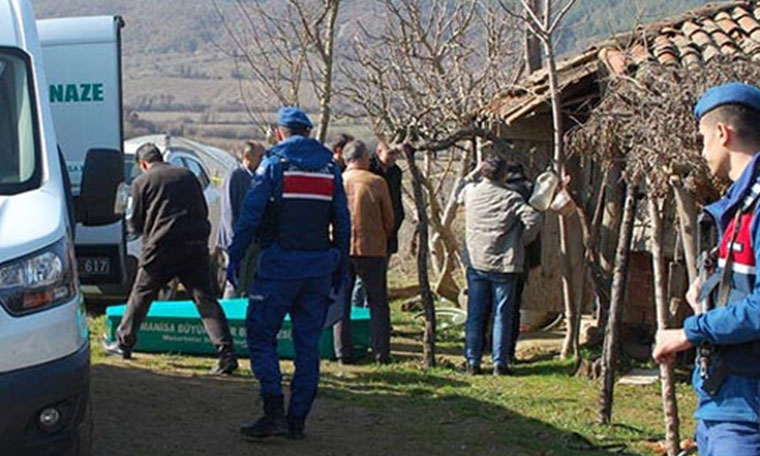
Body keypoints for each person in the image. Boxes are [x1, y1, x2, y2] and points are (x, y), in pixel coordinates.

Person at [228, 107, 350, 440]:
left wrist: (235, 256)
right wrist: (340, 264)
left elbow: (251, 215)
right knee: (307, 344)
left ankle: (273, 412)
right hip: (318, 268)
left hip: (280, 268)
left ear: (280, 132)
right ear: (307, 132)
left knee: (260, 334)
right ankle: (297, 420)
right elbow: (342, 220)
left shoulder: (274, 165)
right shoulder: (329, 168)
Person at [653, 82, 760, 455]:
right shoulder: (739, 204)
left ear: (721, 133)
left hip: (747, 406)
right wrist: (711, 284)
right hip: (723, 398)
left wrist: (689, 332)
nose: (702, 153)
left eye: (702, 140)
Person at [102, 143, 238, 375]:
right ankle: (226, 354)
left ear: (143, 164)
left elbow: (135, 223)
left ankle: (124, 344)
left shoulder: (142, 182)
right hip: (194, 245)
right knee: (205, 300)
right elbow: (202, 209)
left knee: (141, 296)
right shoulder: (187, 175)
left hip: (161, 247)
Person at [459, 156, 540, 376]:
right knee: (502, 314)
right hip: (505, 263)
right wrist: (522, 241)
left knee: (475, 313)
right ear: (504, 175)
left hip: (477, 261)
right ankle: (499, 362)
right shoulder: (511, 198)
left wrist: (474, 173)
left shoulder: (471, 192)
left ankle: (473, 360)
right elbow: (533, 218)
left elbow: (459, 192)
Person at [333, 141, 395, 365]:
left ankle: (342, 351)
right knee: (378, 303)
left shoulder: (337, 182)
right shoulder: (377, 182)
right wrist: (380, 236)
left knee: (342, 301)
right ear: (362, 158)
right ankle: (381, 352)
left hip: (341, 248)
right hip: (372, 248)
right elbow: (389, 219)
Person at [352, 141, 406, 309]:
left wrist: (394, 224)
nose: (393, 158)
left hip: (388, 231)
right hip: (367, 232)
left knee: (380, 276)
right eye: (389, 154)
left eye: (395, 154)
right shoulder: (369, 170)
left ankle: (371, 312)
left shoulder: (396, 172)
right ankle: (357, 311)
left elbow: (395, 202)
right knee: (361, 279)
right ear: (378, 151)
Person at [217, 141, 266, 298]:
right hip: (237, 242)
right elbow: (228, 212)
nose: (263, 160)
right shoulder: (235, 177)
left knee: (250, 285)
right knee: (234, 283)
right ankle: (229, 318)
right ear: (247, 157)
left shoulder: (259, 179)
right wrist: (236, 242)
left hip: (255, 241)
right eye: (260, 156)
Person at [503, 162, 540, 362]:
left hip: (486, 257)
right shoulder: (529, 188)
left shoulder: (497, 189)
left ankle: (486, 349)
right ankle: (508, 352)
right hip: (519, 256)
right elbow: (535, 220)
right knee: (512, 307)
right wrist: (523, 242)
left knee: (488, 307)